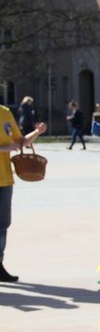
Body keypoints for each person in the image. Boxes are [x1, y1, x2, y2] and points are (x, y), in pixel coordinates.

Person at [0, 104, 47, 282]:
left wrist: (36, 132)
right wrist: (5, 148)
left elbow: (19, 142)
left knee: (2, 225)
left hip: (5, 179)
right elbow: (10, 146)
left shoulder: (4, 112)